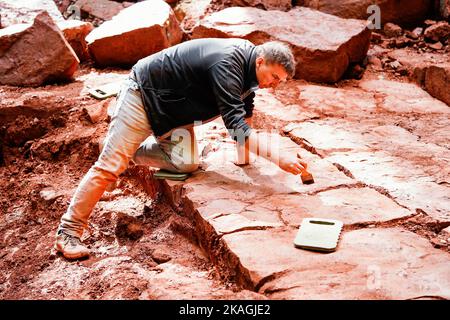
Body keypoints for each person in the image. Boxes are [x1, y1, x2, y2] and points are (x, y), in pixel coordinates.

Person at [54, 38, 309, 260]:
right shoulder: (229, 63)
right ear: (261, 61)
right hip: (144, 95)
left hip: (173, 113)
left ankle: (125, 151)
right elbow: (237, 128)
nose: (274, 84)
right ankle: (69, 231)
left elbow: (245, 115)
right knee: (109, 167)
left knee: (186, 163)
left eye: (280, 81)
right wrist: (280, 159)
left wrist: (244, 161)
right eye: (274, 77)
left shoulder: (250, 73)